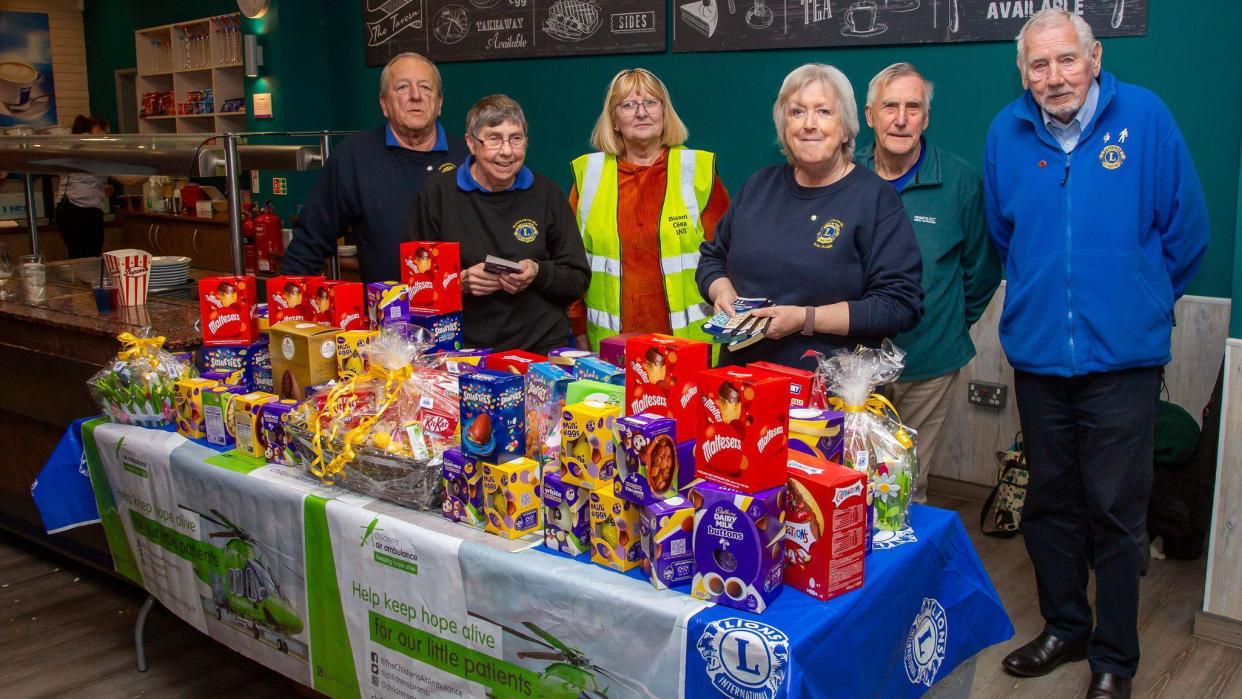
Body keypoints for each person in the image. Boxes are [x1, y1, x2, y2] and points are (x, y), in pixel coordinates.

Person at [984, 10, 1208, 699]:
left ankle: (1115, 655)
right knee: (1050, 503)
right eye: (1038, 65)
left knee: (1115, 508)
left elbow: (1187, 233)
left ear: (1095, 57)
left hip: (1123, 361)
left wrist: (1134, 300)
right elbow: (1003, 238)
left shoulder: (1146, 116)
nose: (1054, 77)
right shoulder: (1005, 131)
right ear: (1024, 72)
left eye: (1066, 61)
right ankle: (1065, 625)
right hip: (1040, 358)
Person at [695, 63, 923, 369]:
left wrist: (805, 319)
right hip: (738, 387)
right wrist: (721, 291)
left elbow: (899, 305)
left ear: (845, 127)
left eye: (824, 112)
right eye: (797, 112)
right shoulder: (758, 187)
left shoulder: (875, 199)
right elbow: (712, 259)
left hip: (825, 393)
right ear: (784, 126)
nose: (809, 124)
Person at [856, 63, 1001, 503]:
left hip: (929, 366)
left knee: (905, 484)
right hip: (852, 367)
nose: (901, 119)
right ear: (869, 115)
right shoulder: (845, 174)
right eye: (890, 106)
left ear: (926, 117)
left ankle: (904, 568)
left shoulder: (960, 183)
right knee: (848, 479)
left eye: (913, 107)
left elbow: (981, 271)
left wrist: (947, 323)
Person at [406, 94, 589, 354]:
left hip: (541, 349)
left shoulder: (547, 193)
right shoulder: (436, 195)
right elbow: (413, 285)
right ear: (471, 143)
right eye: (494, 138)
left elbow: (578, 279)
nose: (506, 151)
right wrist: (461, 282)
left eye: (516, 139)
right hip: (463, 349)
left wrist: (537, 272)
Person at [567, 68, 730, 349]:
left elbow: (729, 256)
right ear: (614, 119)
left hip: (692, 346)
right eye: (628, 105)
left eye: (651, 102)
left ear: (665, 113)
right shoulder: (588, 177)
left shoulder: (697, 171)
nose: (641, 112)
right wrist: (578, 329)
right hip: (612, 349)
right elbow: (571, 264)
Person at [282, 52, 468, 282]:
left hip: (462, 311)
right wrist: (288, 309)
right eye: (402, 87)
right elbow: (309, 242)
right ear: (384, 104)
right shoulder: (354, 157)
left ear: (439, 104)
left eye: (426, 87)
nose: (416, 95)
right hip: (386, 311)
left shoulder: (468, 157)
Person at [55, 115, 111, 259]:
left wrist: (102, 188)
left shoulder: (71, 145)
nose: (107, 138)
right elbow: (127, 179)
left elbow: (82, 180)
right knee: (89, 260)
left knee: (76, 257)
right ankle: (87, 282)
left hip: (64, 210)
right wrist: (154, 170)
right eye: (107, 133)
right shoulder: (94, 147)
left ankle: (80, 281)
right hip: (85, 212)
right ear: (98, 129)